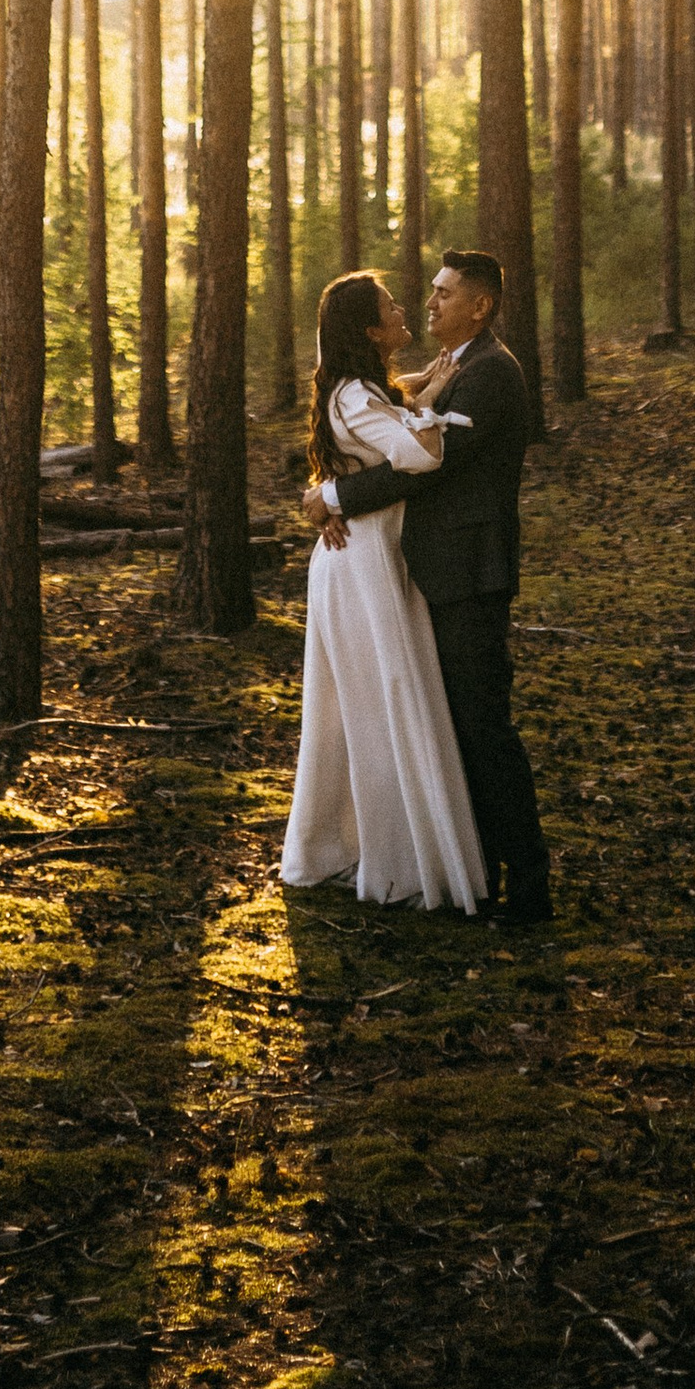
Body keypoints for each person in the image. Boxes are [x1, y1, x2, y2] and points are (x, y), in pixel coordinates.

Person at [314, 248, 553, 929]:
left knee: (484, 728)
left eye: (446, 294)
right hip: (436, 571)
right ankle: (475, 869)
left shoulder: (491, 375)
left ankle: (528, 888)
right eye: (432, 291)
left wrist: (333, 497)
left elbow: (428, 467)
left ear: (480, 305)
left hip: (469, 573)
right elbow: (396, 424)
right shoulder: (457, 368)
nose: (430, 302)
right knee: (457, 728)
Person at [280, 270, 489, 914]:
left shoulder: (364, 389)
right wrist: (430, 407)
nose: (406, 311)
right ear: (371, 330)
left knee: (389, 699)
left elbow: (390, 404)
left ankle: (379, 846)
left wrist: (422, 388)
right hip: (361, 562)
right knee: (379, 705)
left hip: (376, 552)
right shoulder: (352, 396)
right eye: (391, 306)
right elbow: (419, 457)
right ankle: (391, 860)